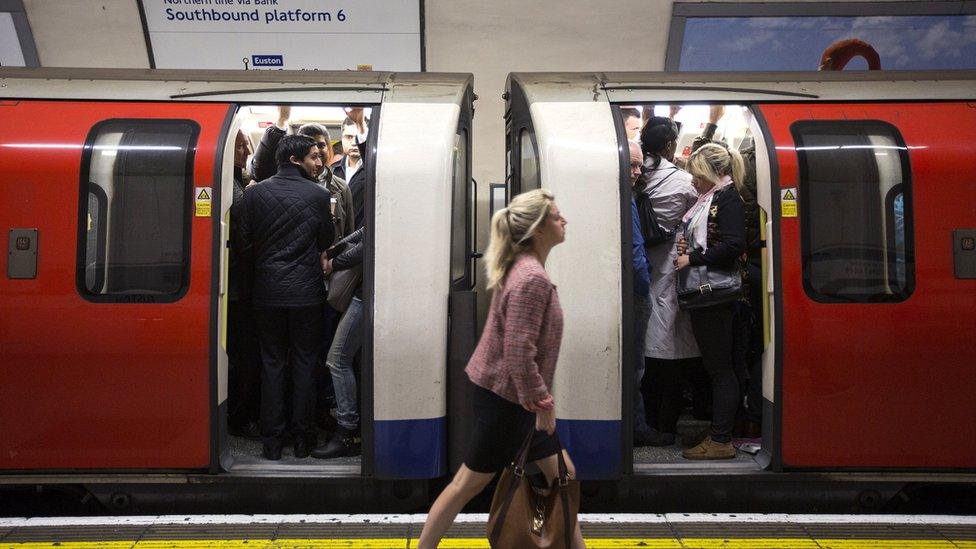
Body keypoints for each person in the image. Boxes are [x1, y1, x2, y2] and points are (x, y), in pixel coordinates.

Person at [416, 189, 585, 549]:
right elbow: (518, 353)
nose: (564, 220)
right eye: (556, 216)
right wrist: (543, 404)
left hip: (512, 397)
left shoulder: (524, 268)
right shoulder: (532, 279)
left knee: (564, 476)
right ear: (538, 229)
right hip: (510, 400)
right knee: (468, 483)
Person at [236, 135, 334, 461]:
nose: (316, 160)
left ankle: (272, 443)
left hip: (266, 294)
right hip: (306, 294)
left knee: (272, 365)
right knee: (305, 364)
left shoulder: (255, 194)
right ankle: (303, 439)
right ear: (294, 159)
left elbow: (244, 245)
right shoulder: (319, 195)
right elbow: (326, 240)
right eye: (311, 155)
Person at [675, 142, 746, 460]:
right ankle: (721, 430)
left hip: (715, 295)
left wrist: (693, 258)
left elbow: (733, 244)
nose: (694, 182)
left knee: (720, 369)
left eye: (699, 176)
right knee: (718, 367)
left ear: (717, 173)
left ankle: (721, 440)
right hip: (709, 295)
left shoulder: (727, 198)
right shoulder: (713, 197)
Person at [637, 117, 703, 446]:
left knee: (644, 353)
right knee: (673, 351)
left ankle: (645, 423)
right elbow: (696, 213)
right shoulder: (682, 181)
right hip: (668, 266)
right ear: (668, 146)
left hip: (638, 266)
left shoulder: (634, 174)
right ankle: (666, 427)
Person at [311, 226, 365, 459]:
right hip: (366, 291)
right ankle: (349, 427)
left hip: (366, 296)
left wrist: (333, 262)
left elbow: (366, 245)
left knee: (337, 359)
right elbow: (366, 231)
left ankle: (347, 432)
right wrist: (333, 250)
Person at [227, 129, 262, 440]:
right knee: (244, 359)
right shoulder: (232, 184)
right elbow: (241, 214)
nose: (244, 151)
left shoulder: (242, 180)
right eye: (238, 145)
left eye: (245, 145)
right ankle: (239, 418)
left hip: (241, 285)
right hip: (236, 288)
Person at [628, 141, 658, 447]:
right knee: (636, 365)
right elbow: (636, 253)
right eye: (631, 166)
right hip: (635, 295)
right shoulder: (628, 200)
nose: (637, 172)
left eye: (640, 166)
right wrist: (644, 286)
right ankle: (637, 427)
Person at [332, 111, 369, 229]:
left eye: (357, 137)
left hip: (363, 237)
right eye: (349, 137)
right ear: (341, 138)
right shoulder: (333, 170)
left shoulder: (372, 170)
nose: (354, 143)